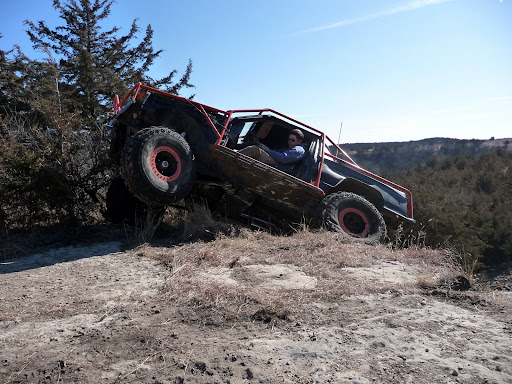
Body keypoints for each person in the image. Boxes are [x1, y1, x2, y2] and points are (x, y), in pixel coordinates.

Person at [239, 128, 306, 165]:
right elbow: (279, 152)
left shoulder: (299, 150)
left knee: (255, 150)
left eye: (293, 140)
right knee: (257, 148)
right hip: (278, 163)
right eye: (289, 139)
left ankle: (231, 159)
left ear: (299, 141)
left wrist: (267, 150)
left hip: (279, 166)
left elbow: (282, 158)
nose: (289, 142)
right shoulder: (291, 149)